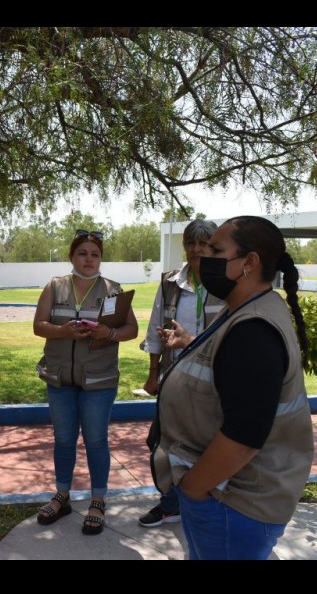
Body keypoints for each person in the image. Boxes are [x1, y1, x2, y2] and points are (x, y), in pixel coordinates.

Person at [149, 215, 314, 560]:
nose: (203, 257)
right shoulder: (246, 309)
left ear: (249, 263)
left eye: (216, 250)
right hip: (226, 495)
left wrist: (194, 488)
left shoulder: (254, 329)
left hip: (231, 502)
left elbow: (244, 436)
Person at [33, 229, 138, 535]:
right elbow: (38, 326)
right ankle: (62, 496)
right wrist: (63, 331)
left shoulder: (113, 290)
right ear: (72, 256)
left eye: (95, 254)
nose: (89, 259)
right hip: (60, 379)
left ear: (101, 259)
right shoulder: (55, 286)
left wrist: (111, 333)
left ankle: (98, 500)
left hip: (99, 381)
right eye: (83, 253)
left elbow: (131, 329)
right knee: (64, 440)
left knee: (96, 441)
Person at [135, 219, 225, 528]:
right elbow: (155, 329)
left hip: (214, 381)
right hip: (174, 378)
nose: (197, 249)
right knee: (163, 442)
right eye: (191, 243)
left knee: (207, 445)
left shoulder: (226, 281)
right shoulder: (170, 282)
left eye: (204, 243)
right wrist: (153, 374)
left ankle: (207, 503)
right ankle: (170, 505)